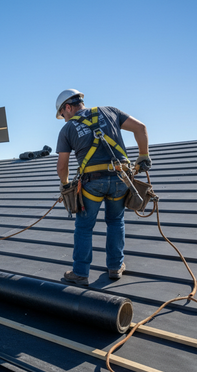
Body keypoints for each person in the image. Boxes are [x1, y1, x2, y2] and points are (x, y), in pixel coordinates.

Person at [55, 89, 151, 287]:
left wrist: (65, 186)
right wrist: (143, 156)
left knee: (83, 227)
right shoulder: (110, 111)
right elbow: (140, 128)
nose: (64, 119)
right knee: (115, 221)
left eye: (63, 115)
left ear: (68, 107)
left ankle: (80, 273)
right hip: (121, 180)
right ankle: (115, 267)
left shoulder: (67, 129)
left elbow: (62, 166)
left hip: (92, 184)